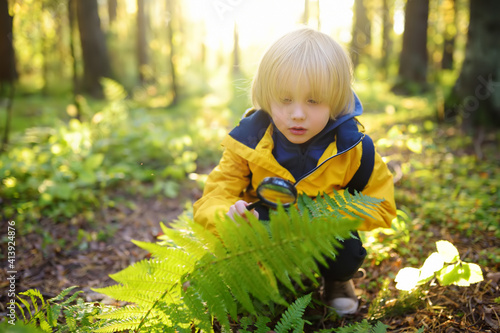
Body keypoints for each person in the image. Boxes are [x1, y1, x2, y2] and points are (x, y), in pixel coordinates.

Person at [193, 27, 396, 315]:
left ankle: (337, 281)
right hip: (266, 226)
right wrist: (226, 214)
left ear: (336, 99)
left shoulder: (354, 149)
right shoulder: (248, 142)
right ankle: (261, 283)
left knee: (347, 248)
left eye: (313, 101)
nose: (297, 114)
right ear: (266, 96)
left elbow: (383, 204)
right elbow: (213, 196)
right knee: (248, 235)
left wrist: (329, 216)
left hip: (322, 232)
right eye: (285, 100)